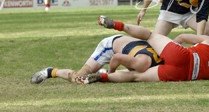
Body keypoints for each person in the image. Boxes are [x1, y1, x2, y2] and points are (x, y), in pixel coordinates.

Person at [76, 16, 209, 84]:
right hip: (181, 75)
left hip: (181, 55)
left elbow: (182, 37)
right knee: (135, 76)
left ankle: (119, 25)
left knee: (150, 36)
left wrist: (169, 45)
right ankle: (104, 78)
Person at [30, 16, 163, 84]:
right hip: (108, 47)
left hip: (125, 43)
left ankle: (102, 72)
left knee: (130, 73)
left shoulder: (165, 56)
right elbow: (116, 58)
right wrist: (111, 75)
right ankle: (51, 72)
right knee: (79, 78)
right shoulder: (142, 64)